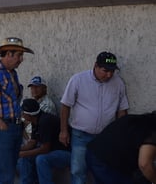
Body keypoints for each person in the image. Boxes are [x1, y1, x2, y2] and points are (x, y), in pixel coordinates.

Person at [59, 51, 129, 184]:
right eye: (105, 70)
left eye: (112, 71)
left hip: (105, 137)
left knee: (103, 171)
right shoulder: (78, 80)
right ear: (95, 65)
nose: (109, 75)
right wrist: (63, 131)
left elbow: (122, 110)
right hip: (81, 135)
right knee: (78, 170)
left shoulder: (118, 83)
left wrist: (120, 135)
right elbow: (65, 106)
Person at [0, 37, 34, 184]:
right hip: (3, 129)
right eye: (19, 55)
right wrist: (1, 125)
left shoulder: (12, 73)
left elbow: (13, 102)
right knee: (6, 173)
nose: (21, 59)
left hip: (15, 127)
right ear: (8, 54)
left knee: (9, 170)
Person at [86, 112, 156, 184]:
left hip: (93, 153)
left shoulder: (142, 120)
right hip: (105, 163)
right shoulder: (152, 133)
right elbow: (144, 165)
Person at [17, 98, 68, 184]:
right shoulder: (35, 120)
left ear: (29, 115)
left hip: (65, 153)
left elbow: (45, 149)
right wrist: (18, 150)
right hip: (52, 152)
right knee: (25, 159)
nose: (22, 115)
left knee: (41, 159)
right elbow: (32, 142)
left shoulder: (45, 121)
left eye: (23, 113)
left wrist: (23, 153)